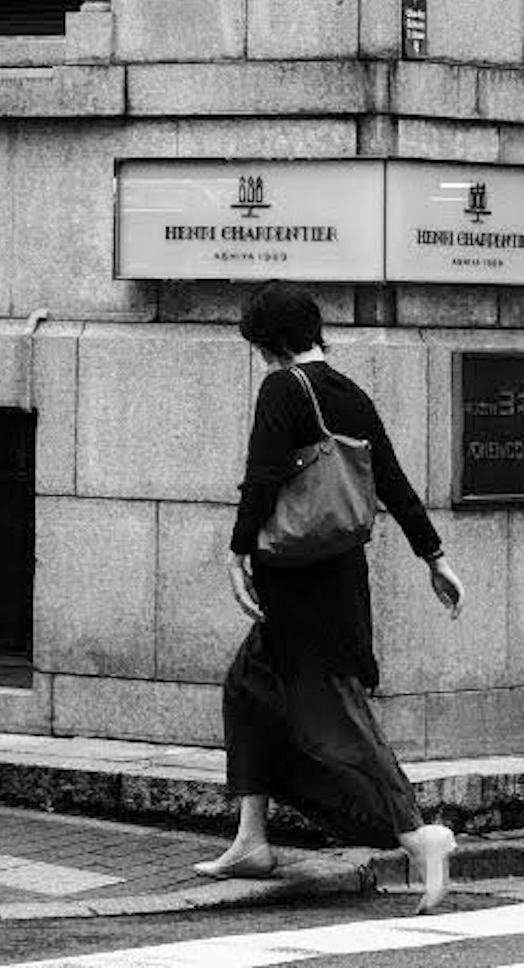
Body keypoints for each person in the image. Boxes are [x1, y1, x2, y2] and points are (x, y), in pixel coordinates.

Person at [200, 282, 466, 908]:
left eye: (261, 344)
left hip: (296, 582)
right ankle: (251, 839)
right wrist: (435, 557)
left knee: (336, 716)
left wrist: (237, 552)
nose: (261, 356)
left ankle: (417, 834)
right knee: (247, 688)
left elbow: (263, 479)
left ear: (272, 342)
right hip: (340, 577)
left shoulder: (283, 389)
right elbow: (394, 483)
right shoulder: (351, 394)